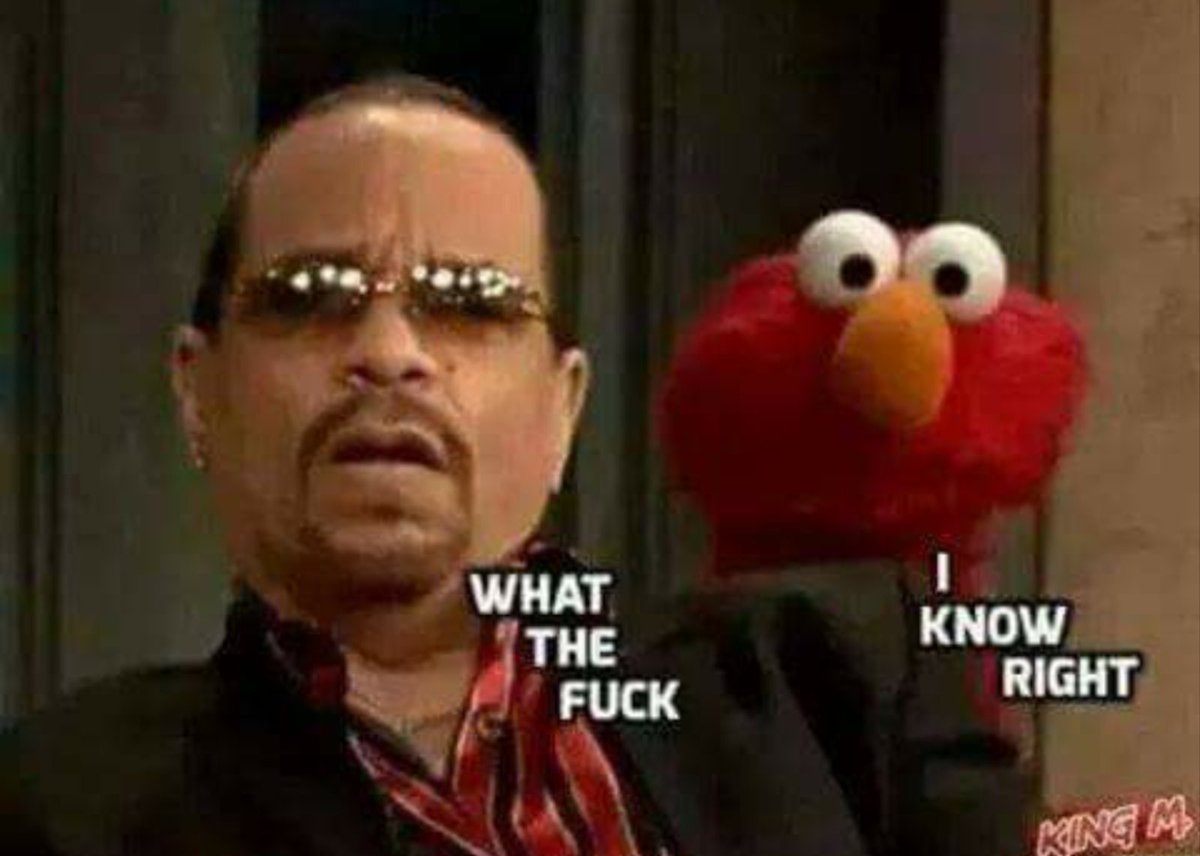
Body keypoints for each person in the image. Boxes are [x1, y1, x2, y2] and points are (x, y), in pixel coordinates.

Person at [0, 75, 1017, 856]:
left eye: (472, 304)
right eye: (309, 297)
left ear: (561, 408)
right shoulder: (59, 807)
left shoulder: (840, 684)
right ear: (198, 391)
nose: (389, 353)